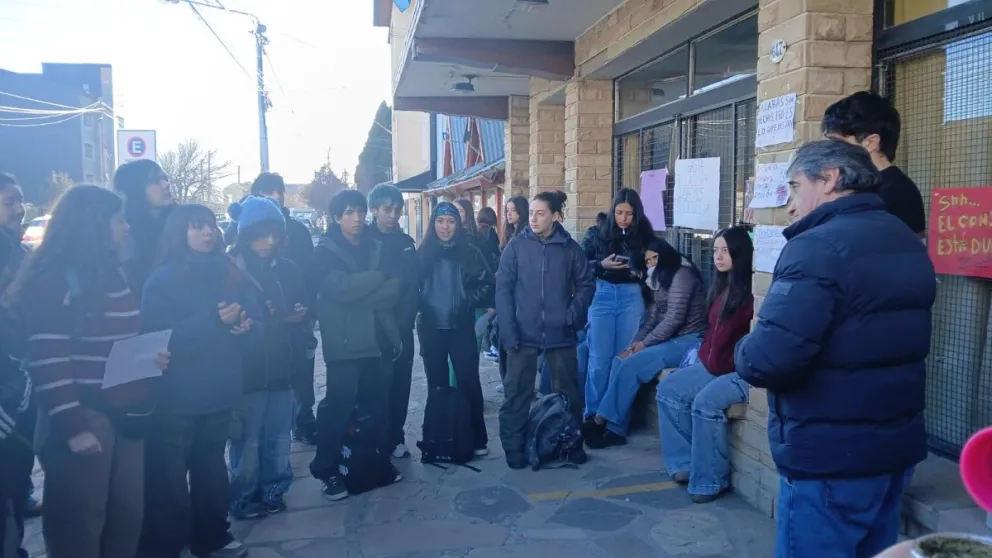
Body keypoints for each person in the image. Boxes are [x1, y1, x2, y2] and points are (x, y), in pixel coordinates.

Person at [735, 139, 936, 558]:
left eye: (794, 187)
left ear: (829, 179)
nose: (790, 206)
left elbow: (768, 359)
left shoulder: (816, 246)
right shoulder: (904, 237)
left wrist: (742, 347)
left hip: (830, 460)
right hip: (891, 452)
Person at [5, 186, 165, 558]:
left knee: (125, 522)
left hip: (124, 418)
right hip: (85, 419)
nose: (126, 227)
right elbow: (48, 357)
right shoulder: (55, 279)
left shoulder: (111, 272)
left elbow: (116, 339)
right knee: (78, 528)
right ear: (94, 224)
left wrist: (147, 359)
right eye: (118, 219)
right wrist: (74, 427)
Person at [140, 204, 259, 558]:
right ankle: (171, 544)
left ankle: (213, 537)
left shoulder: (229, 272)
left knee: (211, 471)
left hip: (220, 392)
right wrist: (214, 321)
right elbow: (159, 338)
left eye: (210, 226)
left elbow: (253, 321)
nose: (208, 233)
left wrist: (245, 328)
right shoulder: (162, 279)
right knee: (171, 481)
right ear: (180, 233)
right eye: (197, 227)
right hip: (177, 397)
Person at [309, 189, 403, 502]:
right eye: (350, 213)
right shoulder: (324, 251)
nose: (358, 218)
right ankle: (327, 471)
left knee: (378, 409)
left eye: (361, 212)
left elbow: (394, 290)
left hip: (378, 342)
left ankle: (374, 463)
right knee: (338, 409)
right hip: (345, 345)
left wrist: (359, 292)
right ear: (337, 217)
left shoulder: (377, 246)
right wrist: (375, 278)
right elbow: (337, 289)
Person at [496, 191, 595, 469]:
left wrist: (572, 316)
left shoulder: (569, 248)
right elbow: (502, 290)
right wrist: (508, 329)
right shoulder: (516, 247)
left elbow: (586, 283)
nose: (534, 218)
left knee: (568, 393)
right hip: (521, 334)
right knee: (517, 393)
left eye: (541, 213)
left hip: (559, 333)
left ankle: (571, 443)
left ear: (555, 216)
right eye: (532, 213)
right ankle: (513, 447)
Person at [656, 226, 754, 503]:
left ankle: (710, 480)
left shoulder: (751, 293)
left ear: (740, 252)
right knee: (669, 390)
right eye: (715, 250)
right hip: (710, 364)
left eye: (726, 250)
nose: (718, 256)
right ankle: (684, 464)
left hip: (738, 372)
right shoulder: (720, 286)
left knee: (704, 403)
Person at [226, 197, 306, 519]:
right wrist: (259, 320)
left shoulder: (287, 268)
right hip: (246, 371)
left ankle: (274, 492)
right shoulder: (228, 270)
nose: (269, 242)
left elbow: (302, 301)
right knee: (247, 443)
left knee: (277, 437)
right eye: (261, 234)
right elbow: (225, 317)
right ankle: (243, 498)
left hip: (283, 367)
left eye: (274, 234)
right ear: (246, 234)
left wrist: (299, 314)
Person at [587, 237, 707, 449]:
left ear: (666, 255)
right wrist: (635, 343)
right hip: (669, 339)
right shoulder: (659, 278)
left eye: (655, 258)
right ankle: (615, 428)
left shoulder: (681, 274)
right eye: (648, 261)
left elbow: (674, 318)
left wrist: (644, 345)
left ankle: (602, 421)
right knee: (621, 359)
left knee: (632, 365)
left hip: (689, 340)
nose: (652, 263)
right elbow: (651, 317)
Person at [245, 173, 319, 445]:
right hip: (262, 323)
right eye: (267, 192)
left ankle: (304, 421)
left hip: (297, 317)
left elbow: (311, 273)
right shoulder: (242, 233)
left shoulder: (297, 231)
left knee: (301, 373)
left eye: (279, 191)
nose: (275, 197)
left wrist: (309, 311)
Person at [417, 201, 494, 457]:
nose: (445, 227)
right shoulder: (424, 252)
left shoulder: (469, 251)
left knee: (468, 381)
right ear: (433, 224)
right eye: (440, 221)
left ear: (458, 224)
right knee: (437, 384)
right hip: (431, 328)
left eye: (450, 221)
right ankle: (438, 438)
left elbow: (487, 284)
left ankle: (476, 438)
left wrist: (465, 298)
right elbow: (411, 288)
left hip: (460, 327)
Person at [582, 188, 655, 436]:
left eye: (629, 214)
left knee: (623, 360)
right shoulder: (596, 232)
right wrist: (600, 264)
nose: (623, 218)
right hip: (602, 294)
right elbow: (578, 266)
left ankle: (616, 423)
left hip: (631, 295)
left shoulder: (644, 234)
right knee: (599, 361)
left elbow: (655, 266)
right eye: (619, 212)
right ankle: (593, 417)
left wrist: (639, 271)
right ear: (612, 210)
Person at [822, 91, 926, 237]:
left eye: (837, 142)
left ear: (870, 142)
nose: (831, 150)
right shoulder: (862, 184)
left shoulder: (895, 191)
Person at [365, 184, 419, 459]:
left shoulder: (406, 243)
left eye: (397, 210)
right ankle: (375, 437)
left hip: (401, 326)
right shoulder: (362, 241)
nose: (392, 215)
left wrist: (405, 320)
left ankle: (396, 436)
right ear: (374, 210)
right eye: (387, 209)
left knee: (400, 383)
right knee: (376, 385)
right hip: (372, 326)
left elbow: (413, 285)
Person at [0, 173, 31, 558]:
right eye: (10, 201)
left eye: (21, 200)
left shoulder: (20, 251)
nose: (20, 209)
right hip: (6, 386)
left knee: (16, 479)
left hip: (21, 384)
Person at [112, 159, 176, 291]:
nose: (166, 184)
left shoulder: (182, 223)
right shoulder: (123, 233)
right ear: (135, 189)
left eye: (164, 178)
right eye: (155, 181)